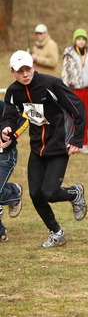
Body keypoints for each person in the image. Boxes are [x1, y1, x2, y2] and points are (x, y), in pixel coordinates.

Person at [1, 50, 87, 248]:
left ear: (33, 67)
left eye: (28, 69)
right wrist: (6, 128)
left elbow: (78, 109)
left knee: (50, 193)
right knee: (35, 194)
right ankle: (56, 233)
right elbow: (10, 116)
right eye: (20, 71)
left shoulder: (51, 84)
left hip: (59, 144)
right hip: (37, 148)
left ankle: (75, 193)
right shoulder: (13, 92)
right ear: (12, 72)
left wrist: (77, 139)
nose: (25, 74)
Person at [61, 28, 88, 154]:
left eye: (83, 39)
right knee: (73, 116)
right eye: (79, 39)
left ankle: (84, 143)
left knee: (85, 116)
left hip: (86, 89)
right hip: (74, 90)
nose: (81, 41)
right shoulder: (69, 54)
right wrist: (64, 91)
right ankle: (71, 141)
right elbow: (65, 73)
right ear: (75, 40)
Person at [0, 100, 27, 242]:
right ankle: (12, 191)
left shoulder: (2, 107)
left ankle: (13, 192)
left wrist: (11, 136)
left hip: (4, 156)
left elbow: (22, 118)